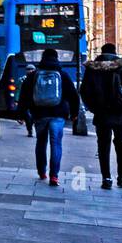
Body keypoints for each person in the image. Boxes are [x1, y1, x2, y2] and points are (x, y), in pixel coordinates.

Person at [18, 47, 81, 187]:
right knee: (56, 144)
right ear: (56, 58)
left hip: (40, 114)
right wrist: (75, 114)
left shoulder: (33, 75)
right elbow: (74, 96)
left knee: (41, 142)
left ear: (42, 59)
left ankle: (42, 171)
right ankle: (54, 176)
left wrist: (21, 114)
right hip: (58, 115)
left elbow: (24, 96)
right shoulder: (63, 75)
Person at [79, 43, 122, 190]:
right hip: (121, 111)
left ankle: (106, 178)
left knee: (103, 145)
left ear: (101, 53)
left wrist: (94, 108)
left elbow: (85, 91)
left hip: (102, 113)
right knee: (121, 143)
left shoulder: (93, 69)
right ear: (115, 52)